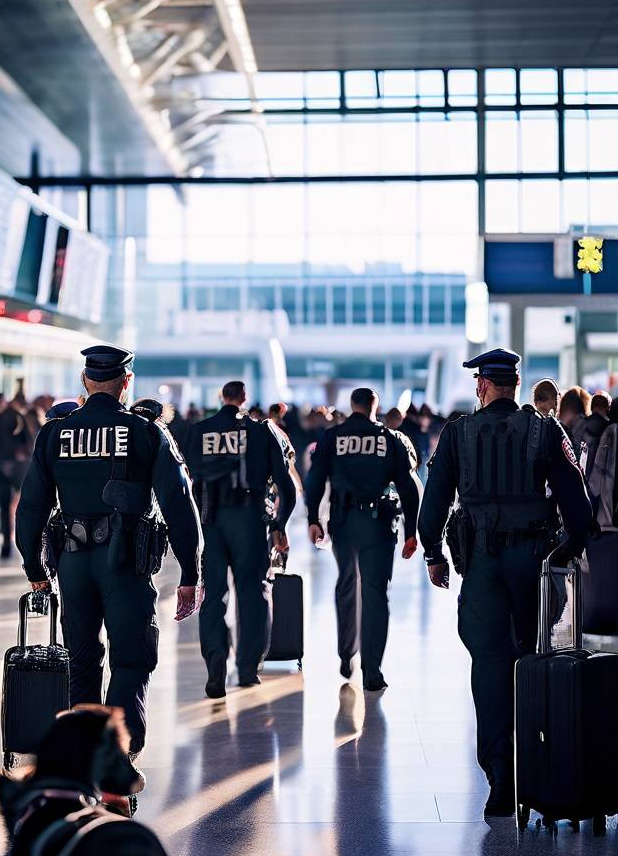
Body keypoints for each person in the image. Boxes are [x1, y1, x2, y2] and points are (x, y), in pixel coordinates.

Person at [15, 345, 203, 783]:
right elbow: (179, 504)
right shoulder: (145, 432)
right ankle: (121, 753)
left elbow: (31, 507)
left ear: (85, 381)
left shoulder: (55, 434)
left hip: (73, 564)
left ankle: (82, 756)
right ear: (126, 382)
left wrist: (33, 567)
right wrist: (191, 572)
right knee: (132, 657)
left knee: (81, 658)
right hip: (126, 565)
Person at [418, 348, 592, 818]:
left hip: (482, 566)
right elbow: (578, 508)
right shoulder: (546, 429)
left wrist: (434, 556)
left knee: (490, 665)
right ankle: (540, 769)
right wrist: (567, 553)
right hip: (534, 565)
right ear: (515, 384)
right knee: (534, 660)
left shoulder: (457, 433)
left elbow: (432, 505)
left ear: (481, 385)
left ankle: (500, 780)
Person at [184, 380, 298, 697]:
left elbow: (185, 481)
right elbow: (287, 488)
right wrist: (279, 524)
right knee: (253, 593)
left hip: (211, 521)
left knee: (214, 595)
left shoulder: (199, 431)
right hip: (249, 520)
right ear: (245, 398)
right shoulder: (262, 432)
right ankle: (248, 668)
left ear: (222, 397)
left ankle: (216, 667)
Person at [305, 388, 421, 691]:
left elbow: (316, 478)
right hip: (379, 524)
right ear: (375, 407)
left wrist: (313, 520)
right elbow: (409, 487)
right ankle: (372, 671)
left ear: (352, 405)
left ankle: (346, 653)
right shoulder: (390, 439)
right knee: (375, 594)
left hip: (343, 522)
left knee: (346, 583)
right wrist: (412, 532)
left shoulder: (333, 437)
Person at [0, 392, 32, 558]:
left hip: (17, 468)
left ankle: (24, 539)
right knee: (4, 505)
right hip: (0, 467)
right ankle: (6, 543)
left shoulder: (16, 416)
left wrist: (22, 454)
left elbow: (27, 442)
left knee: (23, 505)